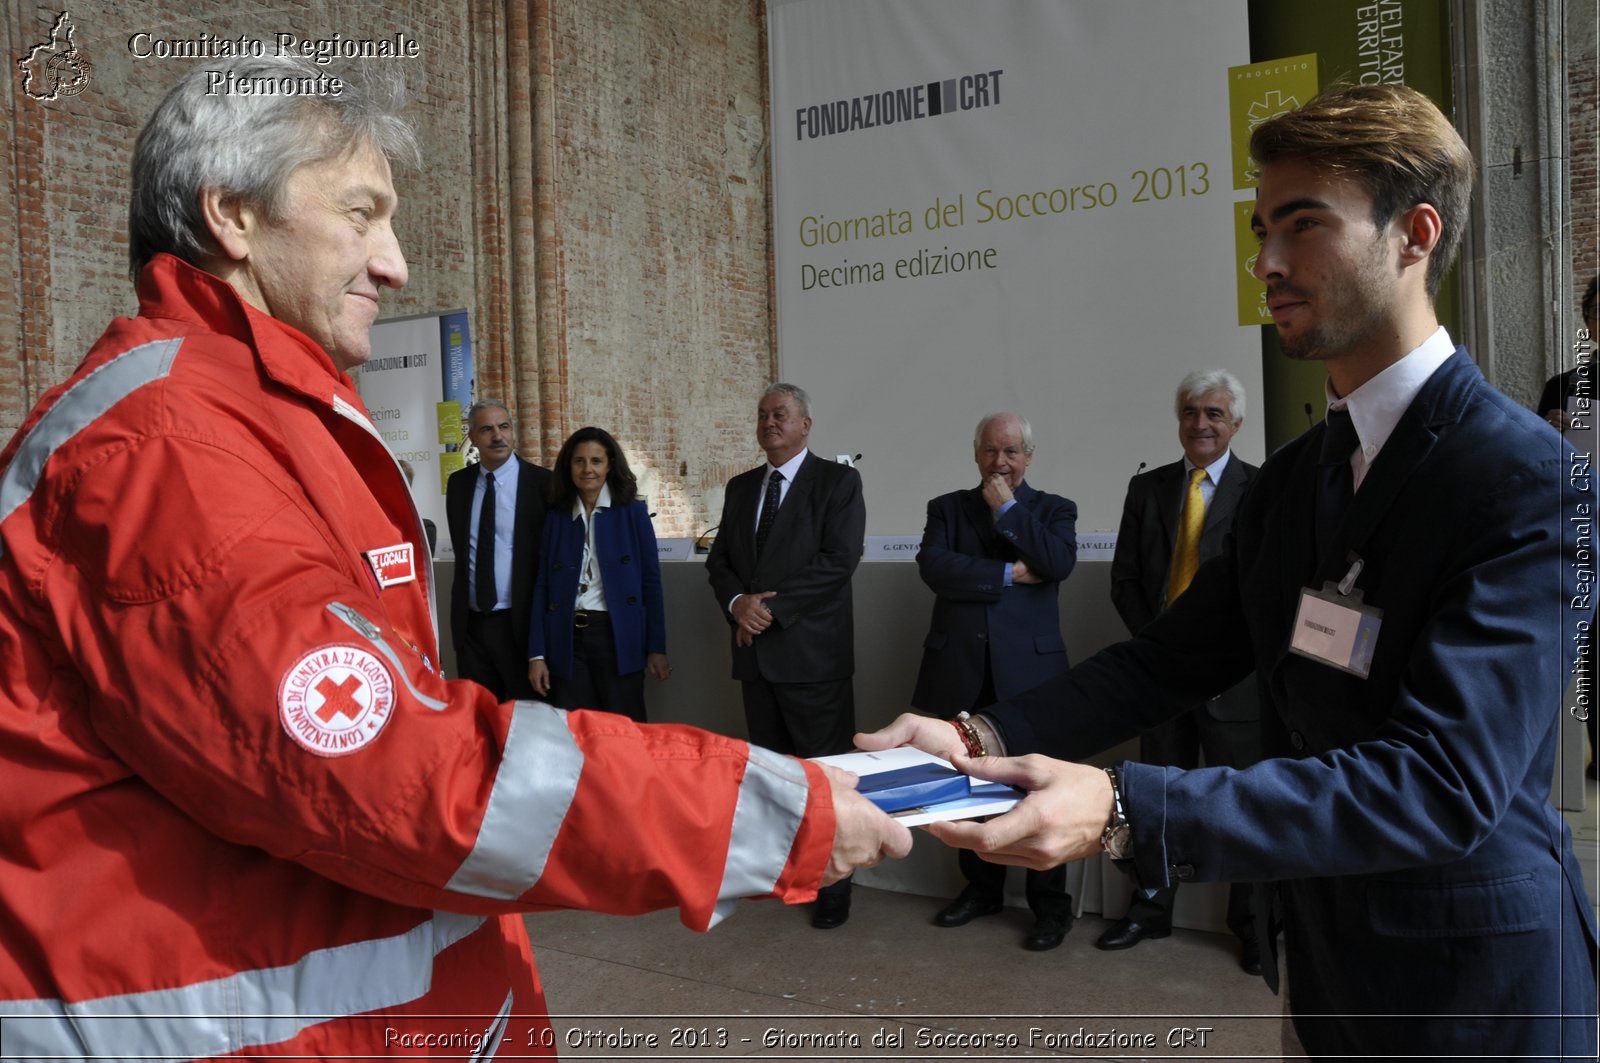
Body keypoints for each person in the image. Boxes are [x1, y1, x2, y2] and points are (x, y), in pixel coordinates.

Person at [0, 55, 912, 1059]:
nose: (392, 263)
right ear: (232, 215)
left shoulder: (253, 418)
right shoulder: (163, 446)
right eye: (361, 213)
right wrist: (769, 811)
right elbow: (393, 769)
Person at [862, 83, 1598, 1059]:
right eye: (1260, 231)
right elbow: (1168, 658)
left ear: (1413, 234)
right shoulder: (1294, 481)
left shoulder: (1524, 477)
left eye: (1302, 225)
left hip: (1480, 979)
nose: (1265, 264)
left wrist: (1125, 808)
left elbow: (1442, 781)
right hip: (1325, 957)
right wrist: (977, 733)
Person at [1103, 370, 1260, 971]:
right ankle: (1149, 911)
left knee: (1242, 805)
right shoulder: (1148, 491)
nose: (1201, 424)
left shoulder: (1261, 489)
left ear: (1236, 424)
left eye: (1215, 414)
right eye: (1192, 412)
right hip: (1163, 677)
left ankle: (1250, 923)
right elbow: (1125, 581)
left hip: (1235, 683)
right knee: (1154, 801)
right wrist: (1158, 646)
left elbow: (1268, 588)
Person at [913, 412, 1078, 951]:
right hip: (961, 671)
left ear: (1028, 456)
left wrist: (1007, 509)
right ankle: (980, 890)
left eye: (1011, 452)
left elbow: (1056, 562)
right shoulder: (946, 508)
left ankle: (1050, 907)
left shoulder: (1054, 510)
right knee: (968, 787)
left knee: (1039, 788)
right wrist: (1008, 574)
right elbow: (935, 567)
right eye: (990, 452)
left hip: (1030, 676)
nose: (1000, 462)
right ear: (976, 454)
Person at [705, 382, 866, 929]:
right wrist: (736, 604)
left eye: (781, 414)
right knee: (772, 777)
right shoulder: (741, 486)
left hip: (812, 658)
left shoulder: (838, 481)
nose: (770, 422)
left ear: (806, 425)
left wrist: (768, 610)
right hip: (756, 659)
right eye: (763, 415)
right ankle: (789, 875)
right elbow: (720, 562)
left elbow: (838, 561)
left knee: (825, 777)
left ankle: (835, 884)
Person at [528, 426, 670, 721]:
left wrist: (656, 647)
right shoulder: (557, 517)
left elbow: (650, 583)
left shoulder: (632, 512)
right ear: (568, 467)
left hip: (617, 636)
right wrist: (537, 654)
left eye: (596, 461)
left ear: (610, 465)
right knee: (576, 734)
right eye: (579, 461)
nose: (587, 469)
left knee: (623, 732)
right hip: (567, 640)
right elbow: (542, 585)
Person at [446, 399, 550, 701]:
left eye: (504, 427)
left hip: (521, 624)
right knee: (479, 716)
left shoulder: (542, 483)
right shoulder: (459, 485)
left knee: (525, 718)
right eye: (487, 429)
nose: (497, 436)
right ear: (473, 437)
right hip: (471, 626)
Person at [1538, 275, 1598, 777]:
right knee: (1592, 654)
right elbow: (1535, 466)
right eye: (1597, 308)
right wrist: (1550, 434)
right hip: (1584, 534)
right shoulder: (1564, 387)